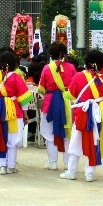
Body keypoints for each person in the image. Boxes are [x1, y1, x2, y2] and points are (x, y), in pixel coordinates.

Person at [60, 50, 103, 182]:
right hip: (97, 113)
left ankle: (71, 171)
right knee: (94, 141)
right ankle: (89, 174)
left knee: (75, 141)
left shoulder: (78, 76)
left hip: (82, 113)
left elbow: (71, 94)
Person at [0, 50, 33, 175]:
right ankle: (11, 166)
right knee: (13, 139)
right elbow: (24, 100)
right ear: (14, 63)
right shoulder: (16, 77)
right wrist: (25, 114)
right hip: (14, 111)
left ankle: (1, 166)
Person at [36, 42, 75, 171]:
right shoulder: (71, 68)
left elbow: (41, 89)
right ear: (64, 53)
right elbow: (75, 88)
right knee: (67, 134)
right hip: (68, 103)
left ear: (51, 54)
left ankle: (52, 163)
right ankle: (67, 164)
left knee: (49, 134)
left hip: (50, 103)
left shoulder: (47, 68)